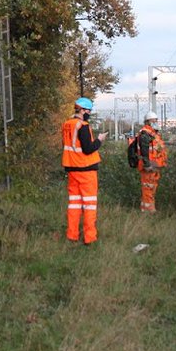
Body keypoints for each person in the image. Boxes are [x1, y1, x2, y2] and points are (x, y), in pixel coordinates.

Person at [61, 97, 108, 245]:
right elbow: (88, 149)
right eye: (88, 111)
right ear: (82, 110)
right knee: (89, 204)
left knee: (74, 203)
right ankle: (90, 237)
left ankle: (72, 235)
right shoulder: (83, 125)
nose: (89, 114)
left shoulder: (67, 124)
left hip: (72, 170)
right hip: (86, 170)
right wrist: (99, 140)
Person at [136, 111, 168, 213]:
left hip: (155, 165)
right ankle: (148, 210)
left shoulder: (153, 133)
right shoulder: (145, 133)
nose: (156, 122)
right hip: (149, 166)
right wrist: (147, 164)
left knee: (151, 188)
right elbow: (144, 150)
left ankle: (148, 208)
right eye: (154, 120)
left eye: (156, 120)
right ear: (148, 122)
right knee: (148, 188)